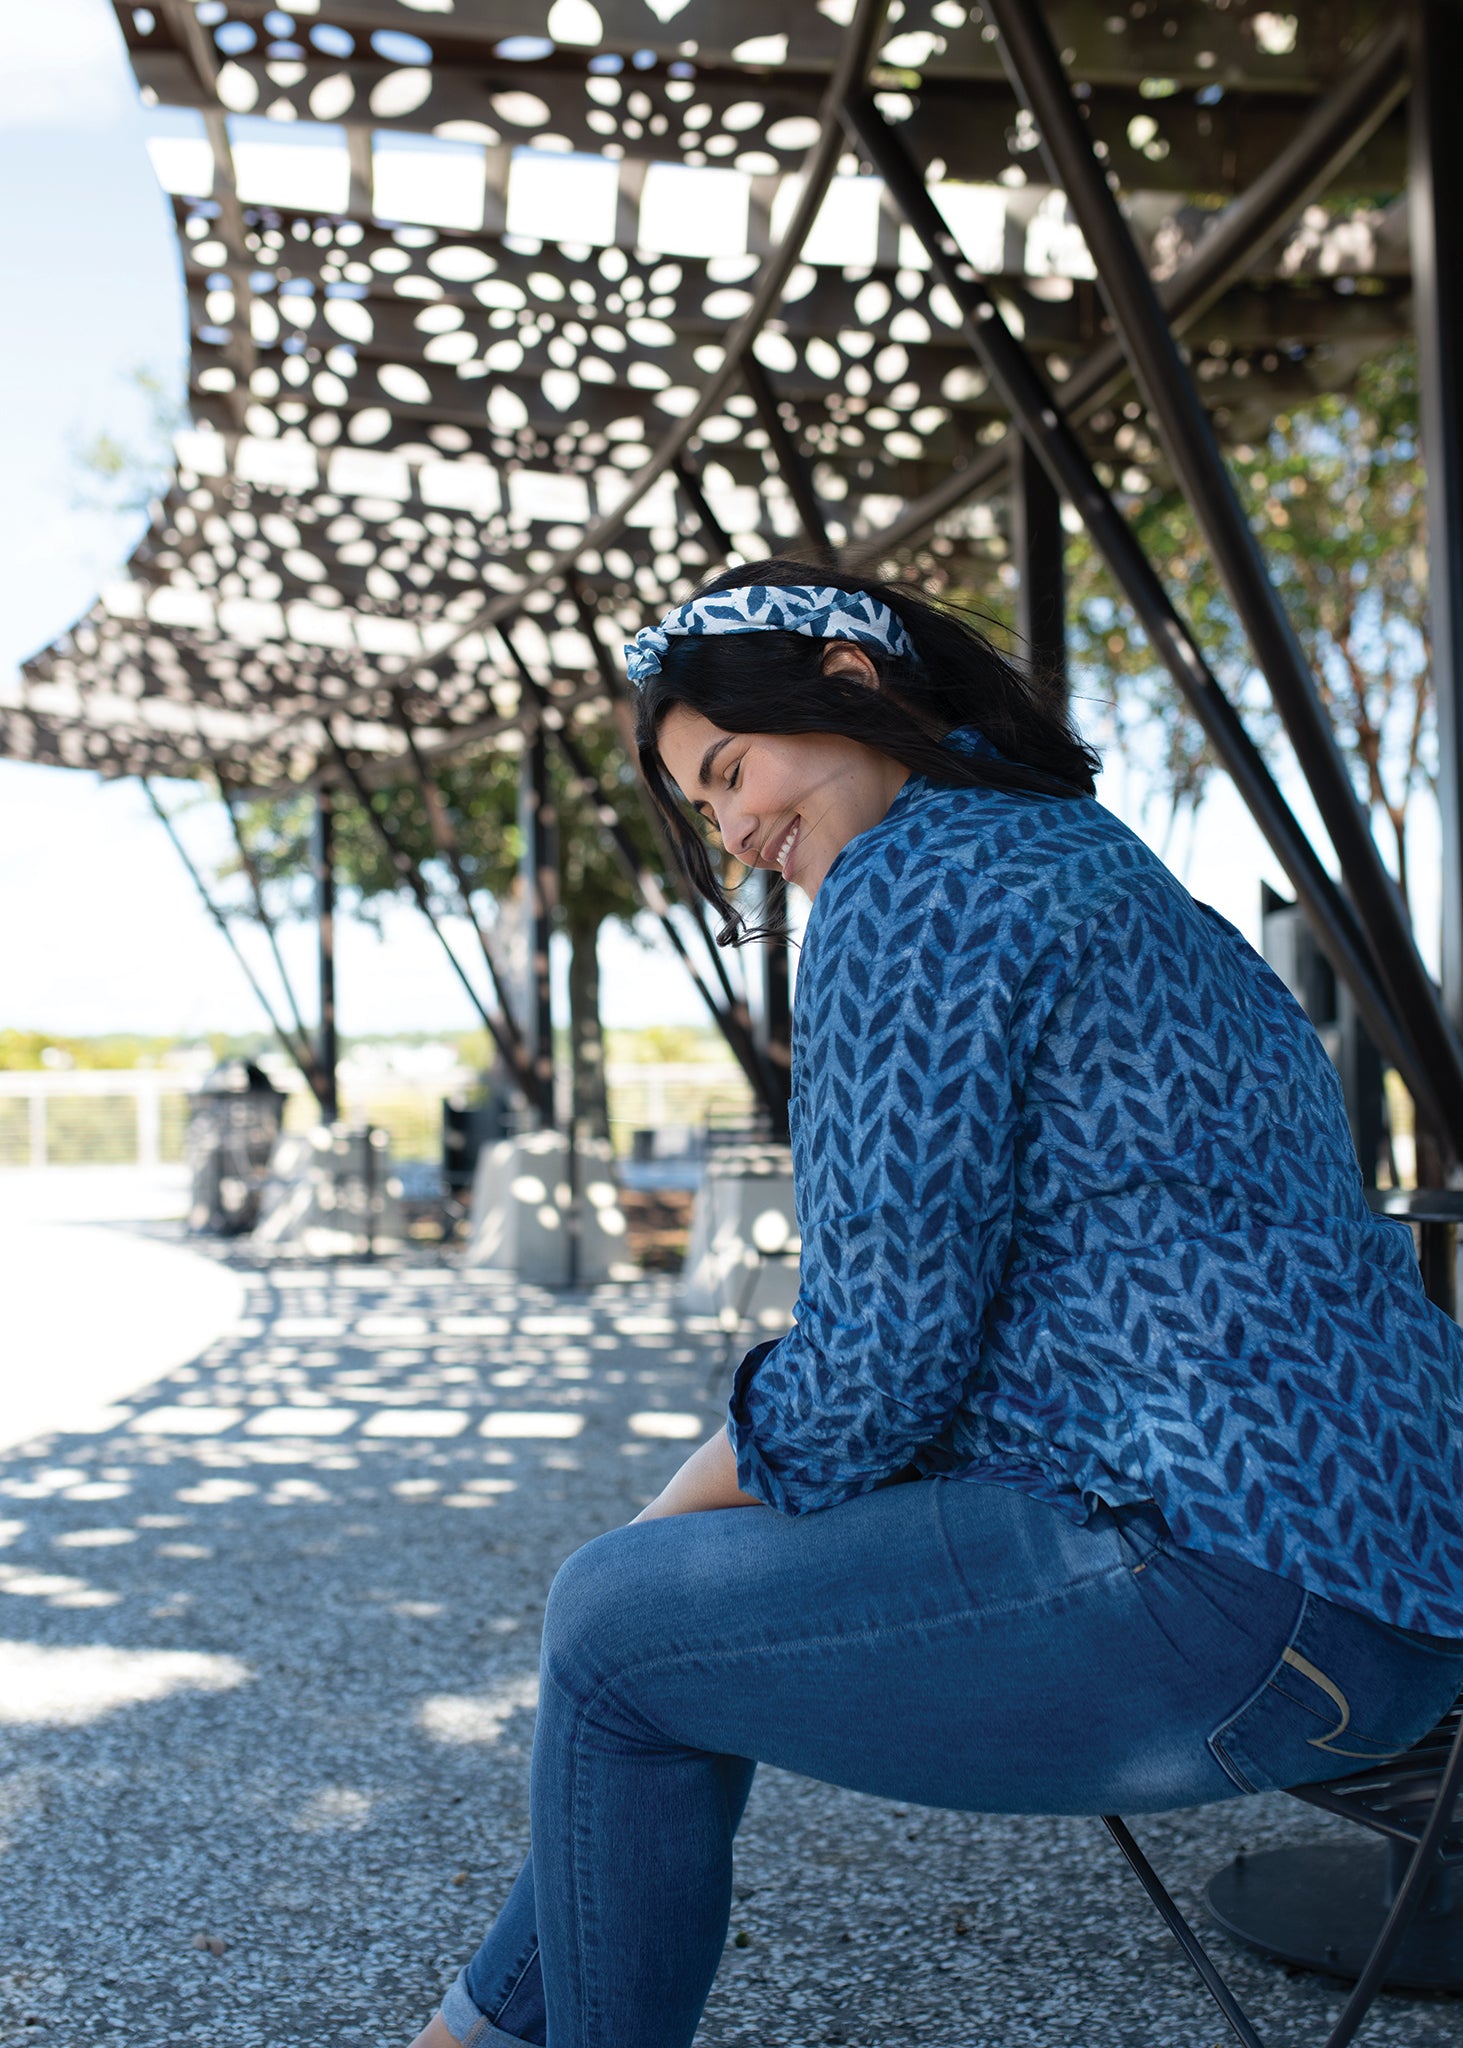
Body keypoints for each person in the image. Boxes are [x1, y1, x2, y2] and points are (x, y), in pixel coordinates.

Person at [411, 561, 1463, 2048]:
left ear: (848, 682)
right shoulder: (1085, 856)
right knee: (644, 1638)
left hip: (1242, 1594)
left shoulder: (911, 887)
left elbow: (875, 1371)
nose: (735, 833)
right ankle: (463, 2038)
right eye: (704, 810)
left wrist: (666, 1519)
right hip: (1401, 1595)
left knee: (613, 1618)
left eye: (729, 769)